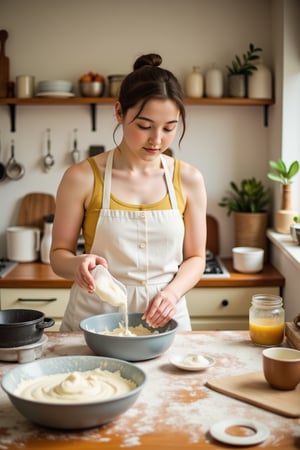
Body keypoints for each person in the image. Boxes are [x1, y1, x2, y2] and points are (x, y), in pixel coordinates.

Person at [50, 53, 207, 332]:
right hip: (94, 319)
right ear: (119, 112)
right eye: (145, 126)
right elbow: (58, 255)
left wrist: (171, 294)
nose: (157, 140)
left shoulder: (189, 179)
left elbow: (196, 257)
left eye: (170, 128)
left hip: (167, 320)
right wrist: (77, 263)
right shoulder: (81, 177)